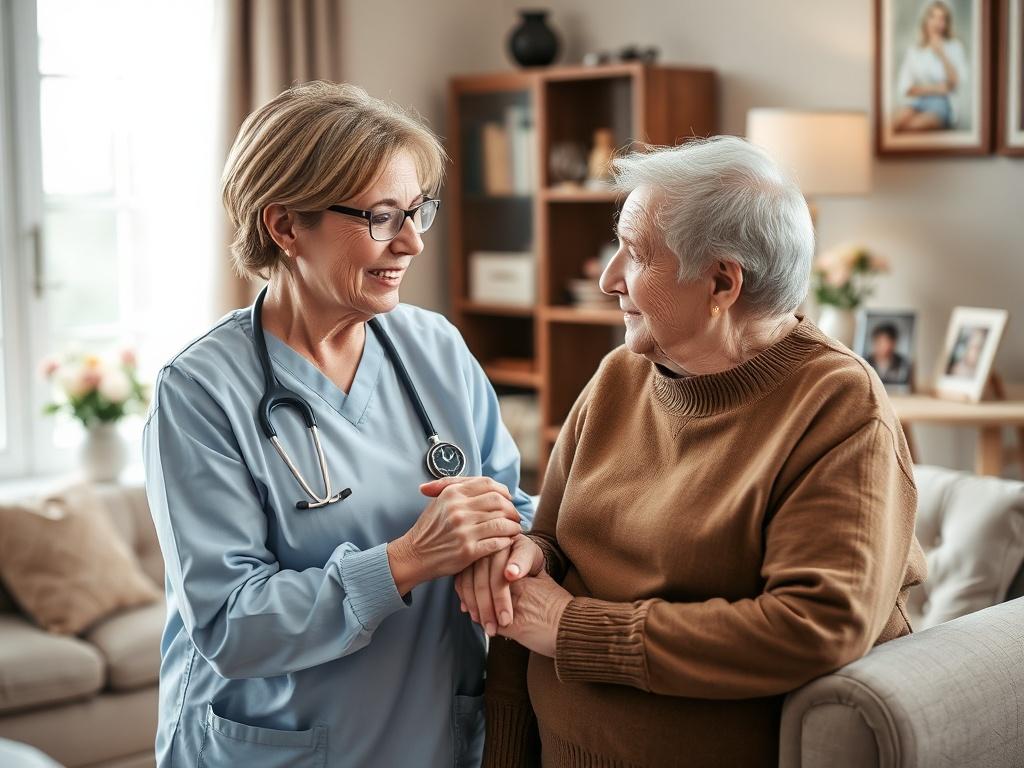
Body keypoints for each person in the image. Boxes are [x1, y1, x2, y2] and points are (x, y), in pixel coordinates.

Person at [458, 137, 927, 767]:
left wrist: (577, 632)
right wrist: (522, 559)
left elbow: (815, 625)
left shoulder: (837, 407)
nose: (607, 278)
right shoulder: (619, 376)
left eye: (637, 253)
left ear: (722, 282)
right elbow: (544, 570)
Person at [143, 81, 533, 767]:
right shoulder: (200, 391)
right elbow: (231, 623)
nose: (412, 242)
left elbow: (511, 505)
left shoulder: (434, 348)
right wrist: (409, 560)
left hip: (437, 736)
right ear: (286, 225)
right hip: (278, 747)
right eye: (382, 217)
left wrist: (513, 547)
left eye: (417, 211)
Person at [893, 1, 969, 132]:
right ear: (926, 21)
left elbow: (956, 82)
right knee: (896, 123)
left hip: (942, 104)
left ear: (946, 24)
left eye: (942, 18)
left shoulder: (955, 47)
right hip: (916, 102)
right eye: (933, 17)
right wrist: (937, 88)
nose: (937, 23)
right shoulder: (914, 51)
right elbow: (905, 87)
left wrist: (941, 54)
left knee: (913, 127)